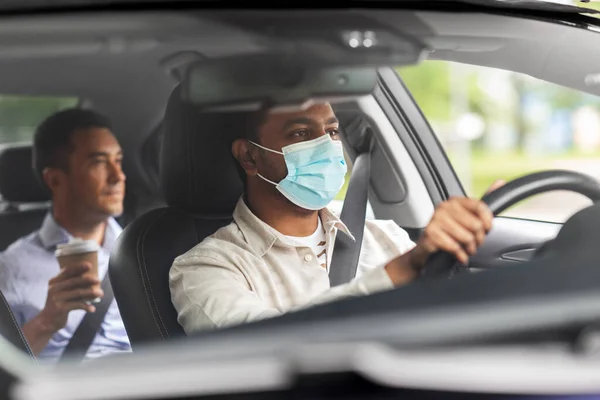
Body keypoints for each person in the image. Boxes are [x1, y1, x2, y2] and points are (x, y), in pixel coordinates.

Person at [169, 103, 501, 334]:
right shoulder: (205, 269)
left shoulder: (385, 237)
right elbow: (261, 344)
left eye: (331, 130)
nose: (326, 146)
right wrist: (404, 270)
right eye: (300, 133)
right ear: (249, 155)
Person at [0, 109, 131, 362]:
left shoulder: (145, 253)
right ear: (55, 180)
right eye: (98, 162)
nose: (118, 176)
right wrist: (47, 321)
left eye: (118, 160)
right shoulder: (9, 268)